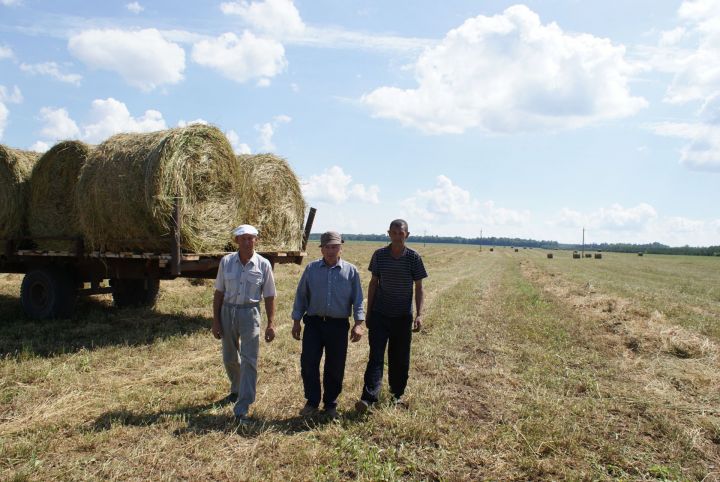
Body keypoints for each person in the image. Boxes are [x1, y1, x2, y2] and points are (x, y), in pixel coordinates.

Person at [355, 219, 427, 412]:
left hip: (403, 317)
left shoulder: (414, 258)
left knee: (400, 359)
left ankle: (397, 396)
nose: (397, 237)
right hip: (380, 315)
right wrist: (368, 313)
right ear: (389, 234)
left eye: (401, 234)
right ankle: (368, 398)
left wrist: (419, 314)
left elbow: (419, 288)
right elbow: (373, 284)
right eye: (394, 233)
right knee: (376, 357)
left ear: (407, 235)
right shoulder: (379, 255)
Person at [291, 231, 365, 419]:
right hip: (314, 324)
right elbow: (301, 296)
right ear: (321, 249)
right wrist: (296, 321)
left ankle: (331, 404)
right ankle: (312, 402)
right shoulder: (311, 269)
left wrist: (358, 324)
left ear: (341, 247)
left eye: (335, 246)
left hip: (338, 326)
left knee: (335, 366)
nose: (331, 250)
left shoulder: (351, 271)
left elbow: (358, 300)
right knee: (308, 363)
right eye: (327, 247)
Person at [212, 224, 276, 423]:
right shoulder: (226, 262)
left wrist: (271, 323)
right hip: (228, 311)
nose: (248, 242)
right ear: (236, 241)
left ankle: (243, 405)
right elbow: (219, 292)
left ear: (256, 240)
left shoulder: (263, 264)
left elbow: (270, 295)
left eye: (251, 238)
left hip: (250, 313)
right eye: (243, 238)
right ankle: (237, 388)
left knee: (249, 360)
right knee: (229, 357)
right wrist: (216, 320)